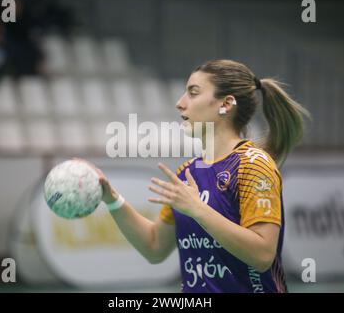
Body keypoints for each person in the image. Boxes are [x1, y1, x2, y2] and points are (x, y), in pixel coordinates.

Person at [89, 59, 309, 293]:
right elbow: (154, 247)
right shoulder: (186, 173)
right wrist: (111, 198)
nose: (180, 103)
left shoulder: (253, 165)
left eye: (193, 93)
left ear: (226, 104)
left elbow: (263, 254)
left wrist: (197, 209)